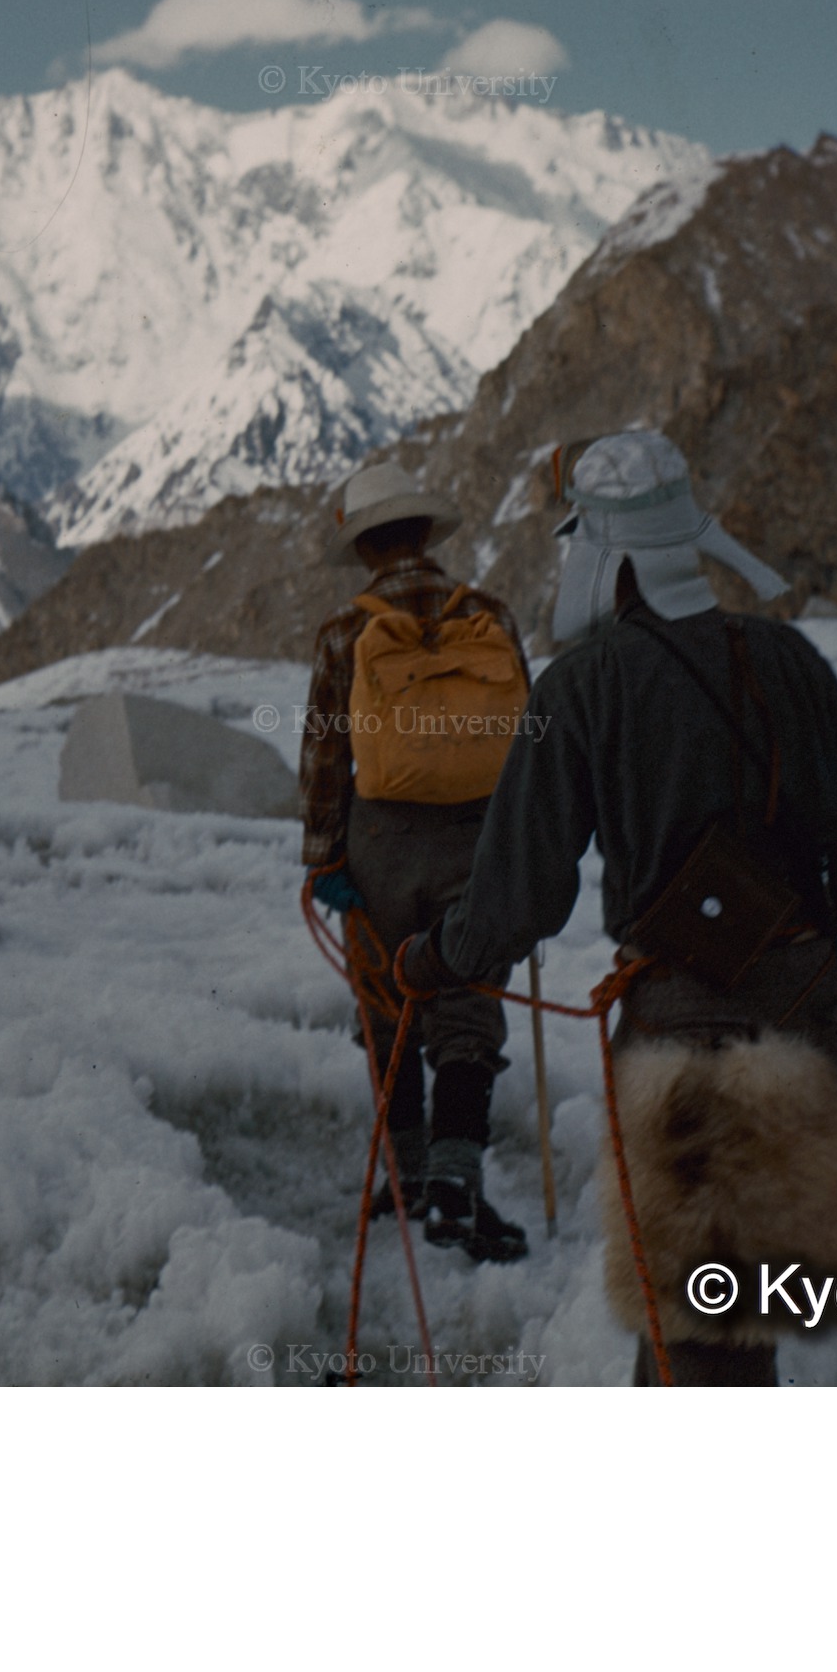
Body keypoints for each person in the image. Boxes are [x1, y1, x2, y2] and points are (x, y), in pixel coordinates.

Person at [395, 429, 837, 1380]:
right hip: (822, 1031)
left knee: (691, 1350)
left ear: (599, 555)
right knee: (736, 1334)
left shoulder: (578, 687)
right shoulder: (793, 659)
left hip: (693, 1056)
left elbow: (517, 901)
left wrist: (432, 958)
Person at [300, 460, 533, 1263]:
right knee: (467, 1011)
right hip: (479, 842)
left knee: (388, 1008)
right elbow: (528, 745)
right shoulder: (492, 618)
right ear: (428, 536)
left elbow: (325, 757)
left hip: (381, 848)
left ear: (365, 549)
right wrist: (524, 857)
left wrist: (323, 859)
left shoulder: (344, 635)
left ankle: (404, 1180)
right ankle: (457, 1188)